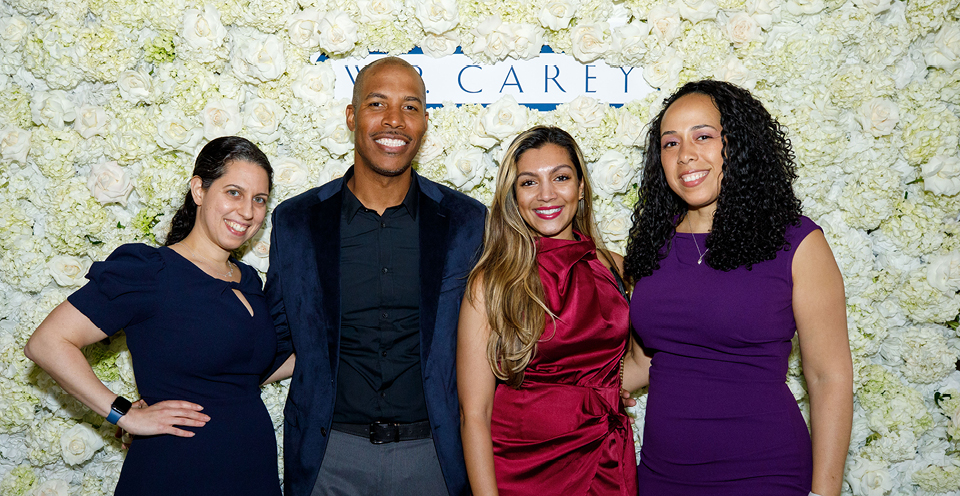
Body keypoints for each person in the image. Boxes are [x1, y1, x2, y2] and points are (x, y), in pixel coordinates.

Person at [264, 56, 486, 496]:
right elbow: (272, 337)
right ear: (351, 115)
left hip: (434, 457)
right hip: (329, 458)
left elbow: (499, 332)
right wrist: (194, 391)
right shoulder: (298, 222)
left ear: (424, 122)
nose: (394, 121)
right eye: (377, 103)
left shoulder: (467, 222)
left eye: (410, 107)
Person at [24, 136, 294, 495]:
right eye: (233, 192)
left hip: (250, 468)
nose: (247, 211)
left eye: (259, 200)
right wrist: (125, 413)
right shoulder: (150, 271)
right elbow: (47, 343)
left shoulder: (248, 280)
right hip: (177, 470)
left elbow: (246, 373)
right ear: (199, 189)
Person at [623, 80, 853, 496]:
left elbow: (827, 376)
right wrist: (560, 392)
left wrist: (826, 493)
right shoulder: (653, 246)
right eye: (670, 143)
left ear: (740, 144)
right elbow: (642, 363)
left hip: (766, 474)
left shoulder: (797, 242)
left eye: (704, 136)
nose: (686, 154)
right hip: (662, 476)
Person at [458, 126, 643, 495]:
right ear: (513, 195)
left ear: (581, 187)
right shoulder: (491, 284)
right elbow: (474, 415)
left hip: (605, 460)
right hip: (521, 472)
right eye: (529, 182)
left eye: (560, 177)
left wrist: (601, 391)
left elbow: (647, 360)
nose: (546, 194)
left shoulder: (619, 270)